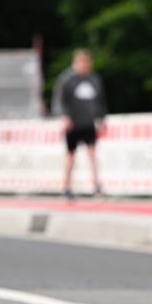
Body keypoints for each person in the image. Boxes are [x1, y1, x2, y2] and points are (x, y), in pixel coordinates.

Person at [53, 49, 107, 199]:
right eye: (82, 63)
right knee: (71, 155)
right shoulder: (66, 79)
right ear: (75, 63)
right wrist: (64, 117)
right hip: (73, 123)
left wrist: (101, 119)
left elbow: (100, 101)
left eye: (87, 63)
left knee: (92, 153)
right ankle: (67, 187)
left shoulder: (94, 80)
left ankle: (96, 185)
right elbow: (59, 100)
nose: (85, 66)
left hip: (88, 122)